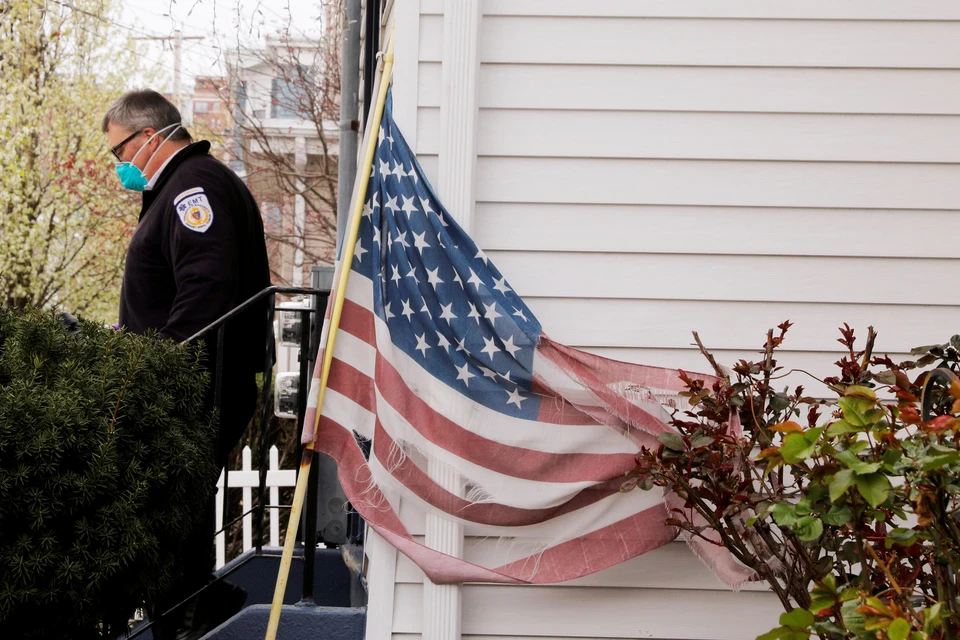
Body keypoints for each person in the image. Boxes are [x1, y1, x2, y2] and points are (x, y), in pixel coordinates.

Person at [102, 89, 270, 639]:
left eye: (119, 152)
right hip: (196, 380)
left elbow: (205, 289)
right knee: (175, 508)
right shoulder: (186, 184)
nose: (120, 167)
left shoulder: (192, 186)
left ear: (148, 137)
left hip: (193, 384)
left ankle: (192, 617)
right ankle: (196, 609)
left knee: (170, 509)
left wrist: (161, 368)